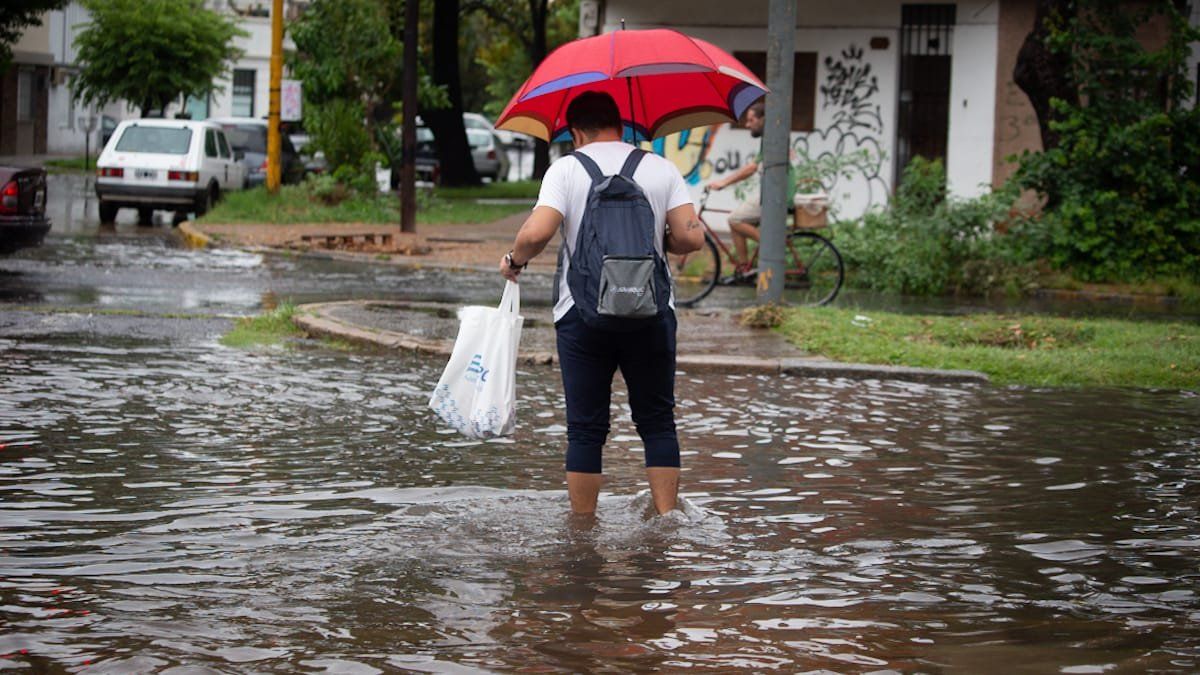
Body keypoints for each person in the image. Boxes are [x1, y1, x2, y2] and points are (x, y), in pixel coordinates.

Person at [499, 91, 704, 516]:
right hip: (651, 311)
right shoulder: (660, 168)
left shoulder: (566, 169)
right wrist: (660, 240)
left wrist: (514, 261)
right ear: (621, 124)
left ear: (576, 132)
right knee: (658, 421)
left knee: (585, 429)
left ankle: (583, 526)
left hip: (582, 315)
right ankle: (667, 519)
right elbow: (690, 236)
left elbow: (536, 234)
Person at [706, 100, 766, 277]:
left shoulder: (771, 139)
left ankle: (772, 247)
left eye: (751, 120)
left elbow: (752, 168)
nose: (747, 125)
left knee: (734, 220)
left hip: (772, 197)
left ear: (763, 119)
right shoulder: (769, 139)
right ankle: (744, 268)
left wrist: (723, 182)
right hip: (769, 194)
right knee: (735, 224)